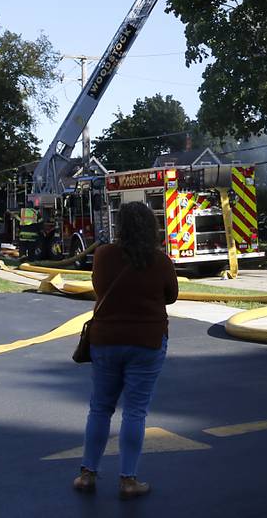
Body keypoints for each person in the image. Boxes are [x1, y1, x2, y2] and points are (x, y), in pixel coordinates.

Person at [73, 201, 178, 500]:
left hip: (106, 341)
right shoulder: (160, 261)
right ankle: (128, 480)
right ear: (151, 228)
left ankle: (87, 474)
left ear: (120, 226)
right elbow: (171, 296)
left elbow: (98, 288)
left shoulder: (103, 255)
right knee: (135, 411)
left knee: (100, 407)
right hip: (147, 342)